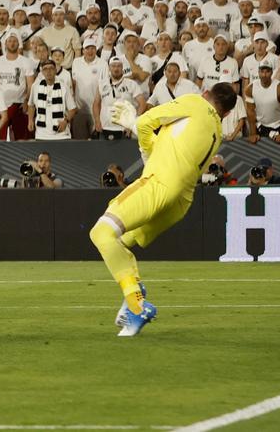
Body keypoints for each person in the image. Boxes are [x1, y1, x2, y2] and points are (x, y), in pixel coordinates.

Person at [89, 83, 238, 337]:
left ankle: (137, 305)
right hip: (181, 201)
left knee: (101, 233)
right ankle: (134, 298)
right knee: (121, 244)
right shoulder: (217, 133)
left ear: (205, 95)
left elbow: (147, 121)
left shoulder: (194, 102)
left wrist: (134, 124)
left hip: (159, 184)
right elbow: (173, 152)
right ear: (225, 114)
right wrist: (141, 135)